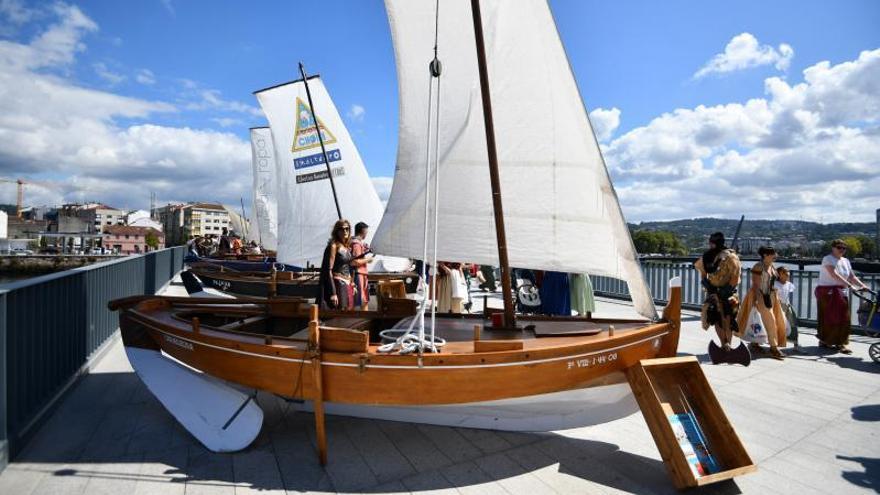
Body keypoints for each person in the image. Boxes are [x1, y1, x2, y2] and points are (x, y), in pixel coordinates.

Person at [815, 239, 868, 354]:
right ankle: (826, 341)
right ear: (833, 248)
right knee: (828, 318)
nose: (842, 250)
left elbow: (852, 276)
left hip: (840, 293)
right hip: (827, 293)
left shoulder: (846, 261)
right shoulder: (827, 259)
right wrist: (849, 285)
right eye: (839, 247)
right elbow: (834, 274)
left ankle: (841, 343)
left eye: (844, 248)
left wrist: (862, 285)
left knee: (844, 318)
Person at [694, 232, 741, 351]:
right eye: (710, 242)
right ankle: (723, 344)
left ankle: (728, 344)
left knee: (728, 319)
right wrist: (707, 284)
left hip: (728, 293)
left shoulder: (731, 256)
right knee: (715, 318)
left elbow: (735, 276)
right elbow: (703, 271)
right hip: (713, 292)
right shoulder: (707, 256)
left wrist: (725, 291)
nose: (711, 245)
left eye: (713, 243)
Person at [737, 246, 787, 360]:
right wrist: (757, 299)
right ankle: (773, 347)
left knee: (775, 320)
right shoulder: (759, 266)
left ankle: (755, 343)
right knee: (771, 321)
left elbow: (774, 282)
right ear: (765, 255)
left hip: (771, 297)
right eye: (773, 254)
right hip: (761, 296)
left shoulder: (772, 266)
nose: (776, 255)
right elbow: (755, 285)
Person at [319, 220, 356, 310]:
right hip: (338, 284)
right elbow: (328, 269)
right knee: (340, 312)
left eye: (347, 229)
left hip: (347, 283)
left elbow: (348, 267)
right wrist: (333, 293)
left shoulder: (347, 247)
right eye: (341, 229)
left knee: (349, 311)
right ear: (337, 231)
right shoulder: (333, 246)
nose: (345, 231)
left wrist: (352, 283)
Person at [350, 222, 374, 310]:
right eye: (366, 232)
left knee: (363, 299)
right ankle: (362, 319)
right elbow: (354, 262)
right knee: (361, 299)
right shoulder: (356, 244)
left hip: (360, 274)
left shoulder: (357, 243)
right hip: (358, 274)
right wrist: (368, 259)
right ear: (363, 231)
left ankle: (363, 318)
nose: (367, 234)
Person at [775, 267, 799, 349]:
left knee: (793, 323)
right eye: (785, 272)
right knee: (777, 325)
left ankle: (795, 343)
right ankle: (775, 343)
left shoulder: (789, 284)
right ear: (779, 274)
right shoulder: (775, 284)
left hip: (787, 306)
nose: (787, 274)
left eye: (788, 272)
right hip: (778, 307)